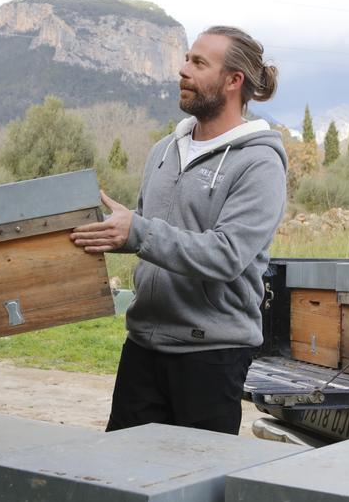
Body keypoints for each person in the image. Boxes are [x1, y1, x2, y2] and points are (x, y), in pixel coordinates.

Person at [71, 26, 287, 434]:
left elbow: (226, 255)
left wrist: (137, 232)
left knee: (195, 485)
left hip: (211, 356)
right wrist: (110, 230)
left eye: (198, 63)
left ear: (232, 81)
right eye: (187, 59)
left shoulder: (259, 163)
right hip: (143, 347)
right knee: (125, 482)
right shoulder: (164, 151)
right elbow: (146, 226)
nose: (182, 70)